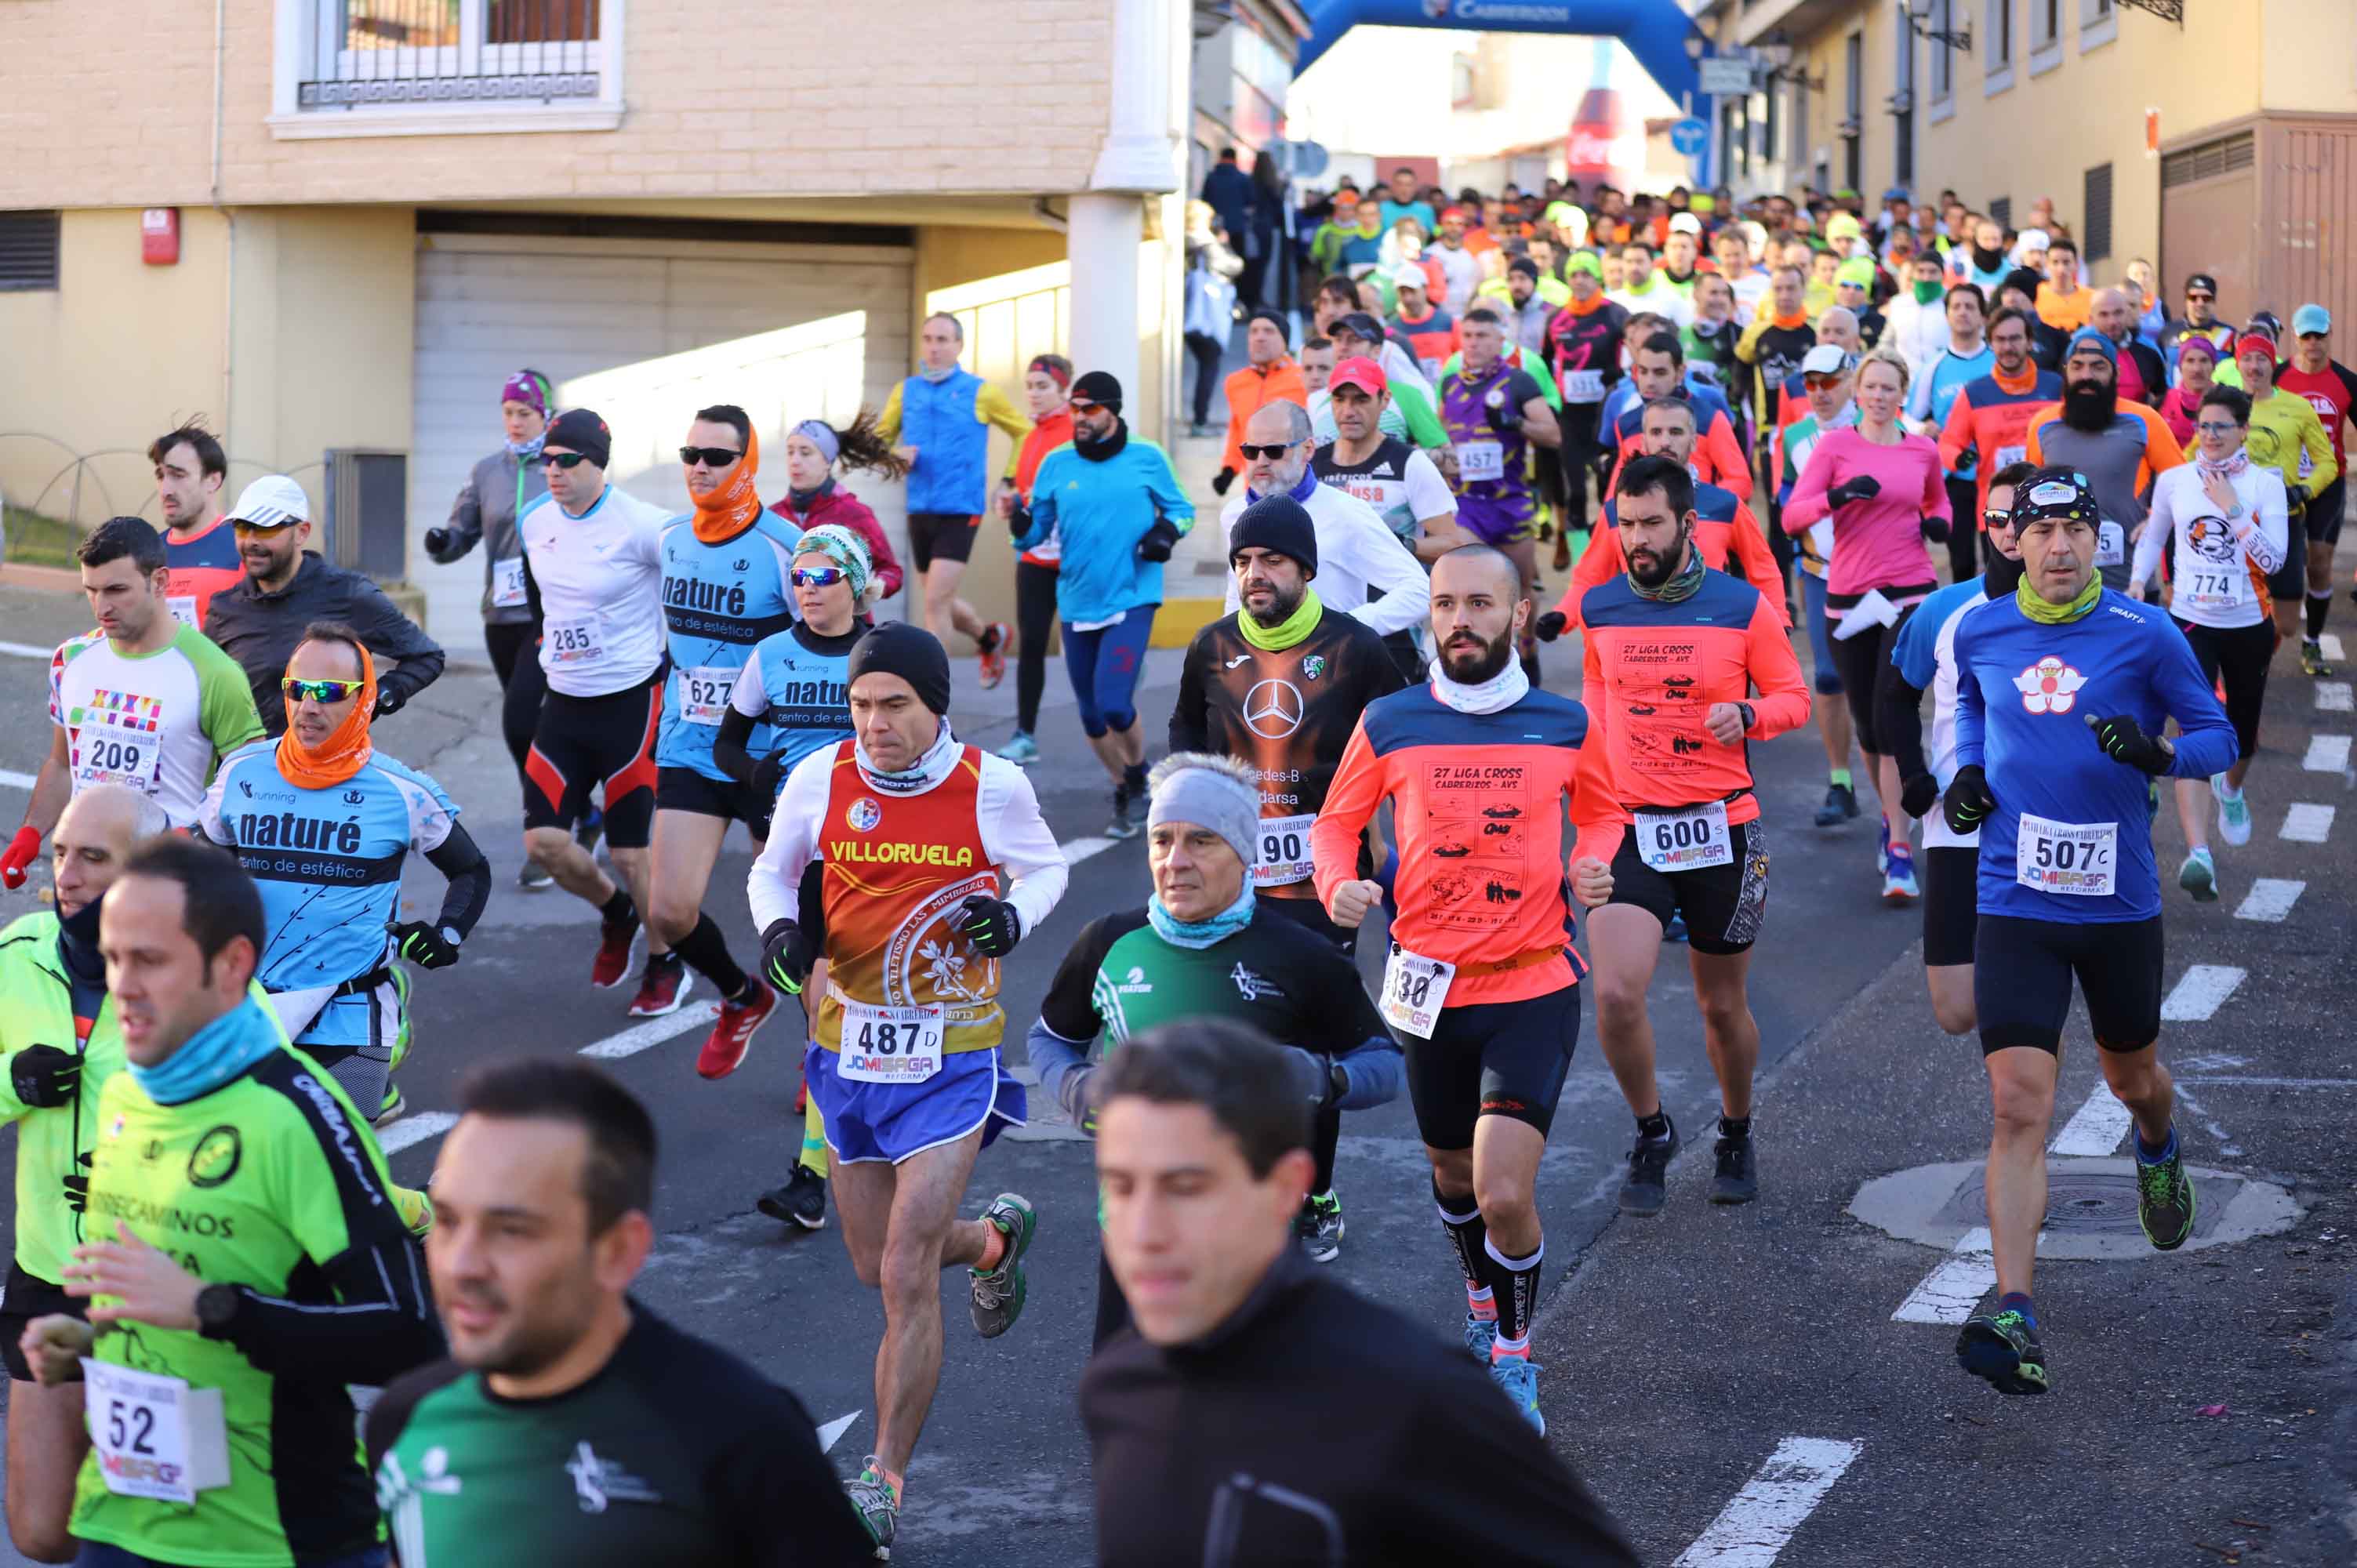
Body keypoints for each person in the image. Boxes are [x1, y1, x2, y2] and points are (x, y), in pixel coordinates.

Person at [19, 835, 441, 1566]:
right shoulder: (124, 1097)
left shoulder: (297, 1115)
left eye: (149, 960)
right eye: (113, 958)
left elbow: (409, 1334)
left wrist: (213, 1310)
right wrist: (95, 1345)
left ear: (233, 965)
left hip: (273, 1542)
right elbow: (169, 1289)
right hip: (120, 1526)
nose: (122, 984)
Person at [1078, 1020, 1640, 1568]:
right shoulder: (1118, 1385)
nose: (1144, 1232)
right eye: (1121, 1186)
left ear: (1285, 1188)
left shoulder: (1416, 1401)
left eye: (1185, 1188)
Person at [744, 621, 1062, 1554]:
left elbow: (1048, 866)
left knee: (904, 1262)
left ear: (935, 706)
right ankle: (995, 1240)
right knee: (875, 1258)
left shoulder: (991, 786)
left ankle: (881, 1478)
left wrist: (1011, 915)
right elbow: (774, 868)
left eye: (895, 705)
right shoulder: (819, 777)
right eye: (861, 703)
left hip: (953, 1052)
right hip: (846, 1052)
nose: (874, 722)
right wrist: (775, 933)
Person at [1944, 467, 2232, 1397]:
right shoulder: (1983, 627)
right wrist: (1968, 773)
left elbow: (2218, 736)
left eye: (2076, 528)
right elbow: (1971, 711)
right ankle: (2016, 1307)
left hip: (2116, 906)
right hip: (2014, 897)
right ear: (2012, 542)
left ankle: (2157, 1144)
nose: (2060, 546)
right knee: (2018, 1105)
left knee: (2131, 1077)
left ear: (2099, 539)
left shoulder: (2146, 633)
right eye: (2043, 530)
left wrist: (2159, 753)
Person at [1310, 544, 1607, 1433]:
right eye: (1444, 604)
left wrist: (1591, 862)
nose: (1459, 620)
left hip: (1533, 982)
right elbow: (1336, 825)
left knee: (1504, 1190)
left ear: (1518, 615)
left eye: (1480, 603)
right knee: (1449, 1172)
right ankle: (1481, 1301)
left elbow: (1603, 810)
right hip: (1427, 989)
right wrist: (1340, 886)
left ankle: (1514, 1354)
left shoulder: (1563, 722)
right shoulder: (1391, 720)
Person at [366, 1060, 873, 1567]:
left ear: (617, 1251)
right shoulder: (406, 1420)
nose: (462, 1265)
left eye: (511, 1230)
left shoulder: (744, 1443)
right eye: (448, 1221)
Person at [1028, 755, 1400, 1314]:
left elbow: (1385, 1066)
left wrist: (1316, 1077)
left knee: (1243, 1400)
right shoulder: (1109, 941)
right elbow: (1050, 1039)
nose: (1176, 862)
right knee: (1129, 1400)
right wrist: (1076, 1088)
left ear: (1244, 854)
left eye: (1201, 841)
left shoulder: (1300, 955)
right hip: (1136, 1236)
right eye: (1162, 841)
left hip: (1255, 1242)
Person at [1571, 457, 1808, 1216]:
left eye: (1650, 523)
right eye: (1626, 524)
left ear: (1685, 523)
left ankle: (1736, 1129)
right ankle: (1652, 1128)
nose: (1636, 538)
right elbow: (1593, 714)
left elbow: (1792, 696)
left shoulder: (1740, 606)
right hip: (1629, 826)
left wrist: (1750, 715)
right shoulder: (1601, 608)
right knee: (1613, 993)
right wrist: (1586, 818)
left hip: (1721, 828)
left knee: (1719, 1006)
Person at [1168, 500, 1407, 1250]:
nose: (1254, 575)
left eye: (1271, 560)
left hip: (1322, 879)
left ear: (1306, 568)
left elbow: (1403, 747)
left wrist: (1399, 857)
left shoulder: (1357, 649)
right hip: (1230, 880)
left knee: (1311, 1042)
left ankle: (1315, 1193)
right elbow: (1183, 740)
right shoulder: (1210, 647)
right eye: (1243, 562)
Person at [198, 623, 492, 1123]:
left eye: (331, 693)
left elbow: (472, 871)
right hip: (247, 1009)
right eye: (298, 690)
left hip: (349, 1018)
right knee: (242, 1173)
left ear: (364, 700)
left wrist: (446, 934)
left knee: (327, 1179)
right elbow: (204, 865)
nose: (309, 707)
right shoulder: (240, 772)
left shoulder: (403, 791)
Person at [0, 786, 165, 1563]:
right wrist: (12, 1079)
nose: (66, 873)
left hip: (160, 1282)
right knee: (41, 1529)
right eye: (62, 851)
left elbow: (278, 1101)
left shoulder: (197, 975)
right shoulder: (19, 952)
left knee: (151, 1527)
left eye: (93, 857)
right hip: (47, 1274)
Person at [710, 524, 870, 1232]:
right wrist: (757, 774)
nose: (807, 590)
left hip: (871, 851)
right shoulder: (770, 653)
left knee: (835, 1002)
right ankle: (817, 1165)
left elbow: (938, 744)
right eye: (798, 579)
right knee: (821, 1004)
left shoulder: (883, 653)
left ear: (855, 585)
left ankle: (820, 1165)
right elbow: (727, 741)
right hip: (795, 848)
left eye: (823, 578)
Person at [637, 405, 799, 1058]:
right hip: (691, 747)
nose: (699, 467)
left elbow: (837, 639)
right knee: (669, 912)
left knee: (796, 923)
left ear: (748, 462)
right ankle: (741, 995)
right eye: (690, 454)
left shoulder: (783, 546)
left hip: (771, 757)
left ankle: (825, 1057)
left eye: (717, 457)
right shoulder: (671, 539)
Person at [4, 517, 264, 892]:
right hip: (84, 881)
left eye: (116, 590)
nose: (101, 606)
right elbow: (62, 764)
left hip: (168, 884)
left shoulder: (214, 672)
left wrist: (189, 840)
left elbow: (249, 782)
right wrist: (30, 832)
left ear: (159, 582)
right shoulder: (71, 659)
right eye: (91, 590)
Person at [514, 408, 675, 1003]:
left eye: (566, 461)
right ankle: (616, 915)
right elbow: (543, 601)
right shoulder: (535, 522)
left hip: (632, 701)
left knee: (634, 856)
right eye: (546, 461)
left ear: (598, 465)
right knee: (545, 845)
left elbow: (692, 584)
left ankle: (664, 962)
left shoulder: (645, 524)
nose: (552, 471)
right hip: (565, 702)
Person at [1785, 347, 1952, 902]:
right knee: (1869, 726)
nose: (1879, 397)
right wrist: (1836, 497)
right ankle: (1891, 817)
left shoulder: (1922, 449)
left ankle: (1901, 850)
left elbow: (1940, 502)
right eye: (1871, 387)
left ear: (1903, 394)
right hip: (1849, 597)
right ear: (1858, 393)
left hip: (1909, 589)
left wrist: (1936, 524)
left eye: (1889, 388)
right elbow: (1792, 516)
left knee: (1892, 705)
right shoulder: (1835, 447)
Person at [1880, 461, 2035, 1036]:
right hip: (1957, 824)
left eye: (2025, 517)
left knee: (2023, 1009)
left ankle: (2023, 1107)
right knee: (1956, 1012)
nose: (2011, 531)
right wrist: (1916, 776)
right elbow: (1896, 698)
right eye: (1999, 518)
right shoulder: (1944, 610)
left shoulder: (2082, 615)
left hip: (2045, 830)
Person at [1012, 372, 1194, 838]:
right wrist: (1020, 523)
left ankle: (1135, 773)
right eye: (1075, 409)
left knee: (1114, 703)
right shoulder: (1057, 463)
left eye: (1089, 410)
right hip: (1077, 599)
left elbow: (1182, 509)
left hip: (1132, 594)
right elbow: (1035, 532)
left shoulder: (1147, 458)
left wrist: (1165, 533)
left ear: (1113, 411)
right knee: (1091, 715)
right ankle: (1127, 785)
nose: (1080, 418)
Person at [2129, 387, 2287, 902]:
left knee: (2241, 734)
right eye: (2204, 425)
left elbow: (2275, 561)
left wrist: (2234, 509)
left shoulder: (2266, 485)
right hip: (2191, 623)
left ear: (2244, 429)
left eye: (2222, 426)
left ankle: (2232, 789)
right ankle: (2199, 854)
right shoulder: (2175, 480)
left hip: (2249, 623)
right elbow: (2154, 537)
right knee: (2194, 728)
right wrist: (2137, 581)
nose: (2211, 435)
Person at [202, 475, 446, 737]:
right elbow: (204, 691)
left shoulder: (348, 593)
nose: (251, 541)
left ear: (302, 532)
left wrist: (377, 700)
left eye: (266, 529)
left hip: (328, 770)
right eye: (241, 528)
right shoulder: (225, 609)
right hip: (252, 769)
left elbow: (426, 656)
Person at [424, 371, 553, 851]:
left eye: (526, 413)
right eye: (509, 413)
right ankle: (576, 809)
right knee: (530, 727)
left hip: (546, 619)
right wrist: (442, 542)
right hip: (500, 616)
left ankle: (543, 826)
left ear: (545, 415)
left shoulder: (560, 467)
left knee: (521, 721)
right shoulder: (487, 472)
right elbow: (462, 532)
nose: (516, 422)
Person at [1541, 395, 1786, 635]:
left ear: (1694, 442)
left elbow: (1763, 569)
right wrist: (1564, 615)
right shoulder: (1618, 509)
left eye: (1676, 432)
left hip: (1711, 632)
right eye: (1656, 432)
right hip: (1640, 635)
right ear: (1644, 442)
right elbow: (1590, 576)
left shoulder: (1725, 505)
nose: (1666, 441)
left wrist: (1778, 621)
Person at [876, 312, 1032, 684]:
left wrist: (1009, 478)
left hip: (962, 509)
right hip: (919, 508)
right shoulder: (906, 391)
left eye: (943, 340)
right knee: (939, 598)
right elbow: (879, 440)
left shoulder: (982, 391)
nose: (934, 347)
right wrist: (894, 454)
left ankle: (930, 692)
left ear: (959, 346)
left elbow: (1024, 432)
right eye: (928, 338)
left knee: (933, 604)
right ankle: (988, 637)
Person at [1219, 401, 1431, 645]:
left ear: (1308, 449)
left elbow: (1419, 589)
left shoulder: (1345, 511)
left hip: (1334, 670)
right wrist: (1229, 649)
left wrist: (1346, 628)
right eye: (1251, 452)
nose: (1261, 461)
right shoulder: (1233, 514)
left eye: (1275, 451)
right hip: (1262, 668)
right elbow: (1237, 595)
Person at [1440, 307, 1560, 681]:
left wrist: (1515, 422)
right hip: (1466, 507)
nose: (1474, 343)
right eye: (1469, 335)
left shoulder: (1519, 382)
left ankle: (1528, 654)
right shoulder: (1450, 384)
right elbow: (1441, 433)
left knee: (1520, 586)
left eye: (1483, 336)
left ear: (1500, 341)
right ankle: (1484, 662)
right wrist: (1443, 458)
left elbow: (1553, 434)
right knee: (1470, 583)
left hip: (1509, 503)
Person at [2021, 328, 2187, 592]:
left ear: (2115, 374)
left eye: (2098, 367)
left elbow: (2182, 483)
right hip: (2062, 580)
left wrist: (2157, 520)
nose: (2086, 376)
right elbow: (2029, 498)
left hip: (2130, 583)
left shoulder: (2144, 420)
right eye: (2077, 366)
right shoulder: (2042, 425)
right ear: (2066, 372)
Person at [1312, 357, 1470, 575]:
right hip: (1329, 604)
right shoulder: (1312, 465)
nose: (1348, 411)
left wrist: (1400, 544)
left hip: (1394, 600)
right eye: (1340, 400)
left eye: (1361, 400)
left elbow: (1452, 545)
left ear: (1385, 400)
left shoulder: (1409, 462)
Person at [995, 356, 1078, 766]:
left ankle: (1117, 698)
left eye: (1043, 385)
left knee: (1086, 640)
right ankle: (1025, 733)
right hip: (1034, 555)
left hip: (1078, 554)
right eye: (1029, 385)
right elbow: (1025, 491)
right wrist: (1010, 502)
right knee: (1031, 643)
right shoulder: (1029, 436)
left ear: (1064, 389)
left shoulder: (1076, 431)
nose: (1034, 392)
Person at [2272, 304, 2357, 672]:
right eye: (2306, 336)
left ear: (2329, 336)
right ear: (2295, 337)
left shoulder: (2346, 382)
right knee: (2272, 564)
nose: (2313, 343)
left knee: (2319, 565)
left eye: (2319, 336)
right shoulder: (2277, 377)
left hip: (2327, 483)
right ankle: (2265, 637)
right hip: (2282, 484)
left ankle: (2312, 642)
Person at [768, 410, 908, 603]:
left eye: (805, 452)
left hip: (845, 628)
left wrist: (874, 586)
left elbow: (891, 571)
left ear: (828, 461)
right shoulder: (774, 515)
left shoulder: (854, 513)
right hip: (789, 630)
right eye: (790, 452)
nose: (795, 461)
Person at [1908, 281, 1995, 584]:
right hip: (1954, 479)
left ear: (1983, 316)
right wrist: (1923, 427)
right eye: (1956, 307)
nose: (1963, 313)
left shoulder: (1998, 362)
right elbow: (1906, 415)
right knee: (1962, 562)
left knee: (1998, 559)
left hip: (1995, 477)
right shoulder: (1934, 366)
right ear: (1946, 315)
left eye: (1970, 306)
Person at [1546, 252, 1632, 549]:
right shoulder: (1556, 318)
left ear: (1598, 278)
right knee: (1575, 493)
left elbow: (1634, 356)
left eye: (1587, 274)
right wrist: (1552, 401)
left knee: (1607, 488)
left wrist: (1617, 374)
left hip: (1605, 414)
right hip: (1570, 416)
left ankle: (1611, 550)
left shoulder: (1617, 315)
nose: (1580, 281)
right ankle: (1580, 563)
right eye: (1574, 275)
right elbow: (1546, 362)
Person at [148, 420, 241, 632]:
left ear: (213, 481)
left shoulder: (243, 550)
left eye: (178, 475)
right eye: (161, 476)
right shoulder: (148, 554)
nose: (165, 490)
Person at [1215, 311, 1307, 498]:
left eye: (1269, 331)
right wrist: (1229, 469)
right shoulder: (1235, 382)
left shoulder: (1304, 379)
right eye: (1254, 331)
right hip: (1255, 489)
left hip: (1296, 486)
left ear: (1285, 340)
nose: (1260, 337)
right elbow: (1237, 428)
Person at [1183, 201, 1244, 437]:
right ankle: (1200, 420)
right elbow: (1234, 266)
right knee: (1210, 366)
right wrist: (1225, 244)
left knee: (1206, 366)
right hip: (1207, 317)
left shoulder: (1184, 242)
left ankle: (1200, 419)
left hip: (1192, 314)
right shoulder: (1207, 244)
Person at [2090, 289, 2167, 408]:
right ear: (2091, 319)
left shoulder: (2149, 355)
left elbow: (2163, 401)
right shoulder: (2076, 355)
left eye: (2118, 313)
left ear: (2127, 313)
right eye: (2104, 314)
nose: (2112, 322)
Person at [2159, 270, 2235, 375]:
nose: (2200, 303)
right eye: (2193, 298)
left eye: (2206, 298)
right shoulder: (2167, 332)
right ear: (2186, 300)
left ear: (2214, 301)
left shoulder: (2229, 335)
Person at [2157, 332, 2224, 448]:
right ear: (2180, 366)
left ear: (2214, 366)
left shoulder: (2229, 401)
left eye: (2204, 361)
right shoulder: (2163, 402)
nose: (2197, 369)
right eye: (2190, 361)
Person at [2034, 237, 2093, 332]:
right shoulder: (2035, 293)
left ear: (2076, 265)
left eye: (2066, 262)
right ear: (2047, 264)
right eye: (2055, 262)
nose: (2061, 269)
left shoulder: (2092, 297)